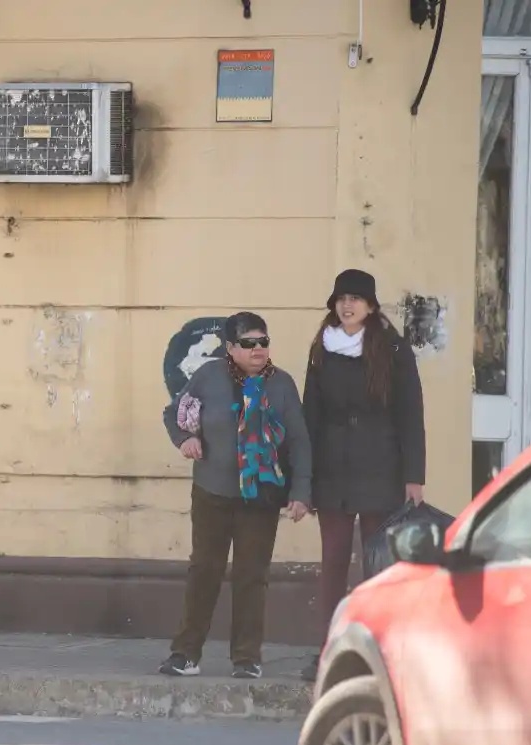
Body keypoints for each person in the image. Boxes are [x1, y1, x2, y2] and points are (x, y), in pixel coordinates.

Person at [158, 312, 312, 680]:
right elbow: (174, 414)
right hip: (212, 492)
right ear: (230, 348)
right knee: (204, 571)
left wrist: (301, 491)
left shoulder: (282, 386)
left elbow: (299, 442)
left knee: (251, 576)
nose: (258, 350)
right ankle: (185, 654)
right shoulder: (208, 377)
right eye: (248, 343)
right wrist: (186, 439)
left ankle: (246, 658)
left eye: (263, 342)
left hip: (260, 495)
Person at [300, 269, 425, 683]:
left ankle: (378, 655)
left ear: (371, 306)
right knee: (333, 563)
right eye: (340, 299)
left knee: (377, 566)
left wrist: (413, 476)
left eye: (355, 299)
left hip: (380, 469)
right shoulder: (322, 347)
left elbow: (411, 415)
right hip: (332, 471)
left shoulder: (392, 348)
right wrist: (304, 478)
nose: (346, 305)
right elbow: (309, 418)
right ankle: (328, 653)